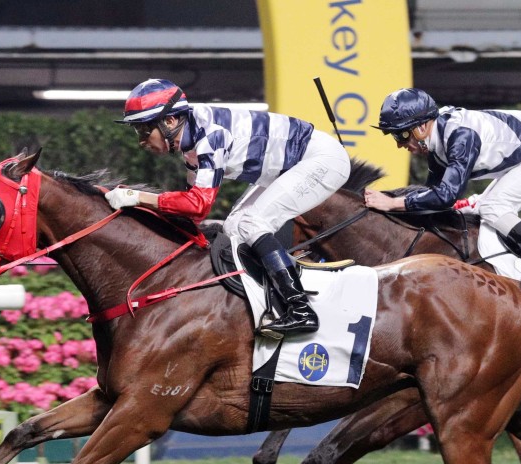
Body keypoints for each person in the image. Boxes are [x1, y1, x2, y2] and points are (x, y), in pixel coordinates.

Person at [106, 78, 351, 337]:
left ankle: (301, 310)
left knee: (252, 224)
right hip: (291, 166)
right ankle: (268, 304)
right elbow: (190, 208)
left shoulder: (209, 136)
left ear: (169, 121)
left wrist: (137, 197)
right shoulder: (191, 142)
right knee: (234, 227)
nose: (142, 141)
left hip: (322, 160)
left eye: (145, 130)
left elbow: (198, 206)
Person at [364, 87, 521, 285]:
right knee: (483, 208)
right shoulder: (438, 143)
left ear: (421, 127)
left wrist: (393, 203)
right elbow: (432, 196)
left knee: (493, 206)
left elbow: (446, 196)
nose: (399, 145)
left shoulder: (461, 136)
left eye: (401, 135)